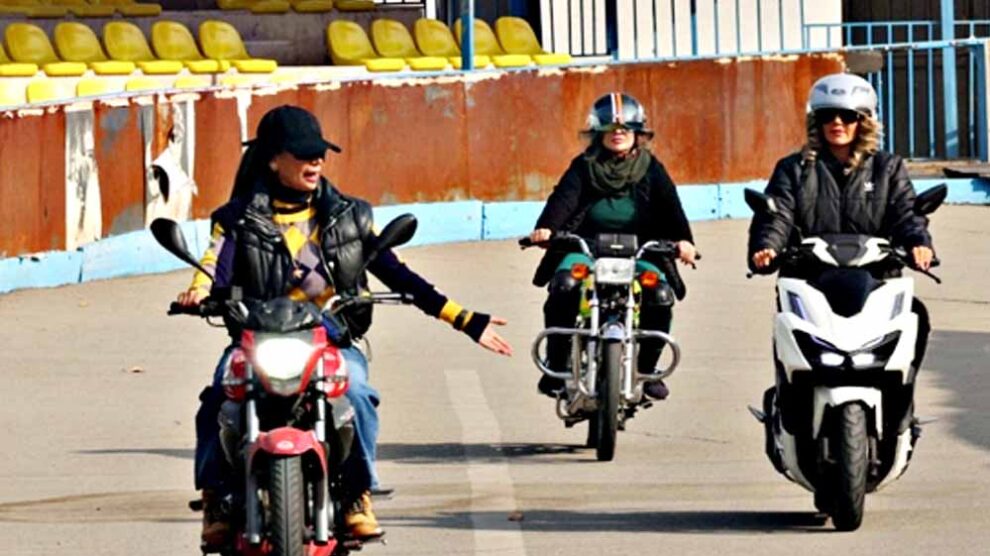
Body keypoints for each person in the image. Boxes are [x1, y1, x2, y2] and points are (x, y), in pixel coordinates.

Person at [176, 105, 513, 547]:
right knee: (217, 401)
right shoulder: (235, 219)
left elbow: (398, 274)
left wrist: (466, 319)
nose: (316, 161)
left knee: (356, 394)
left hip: (329, 340)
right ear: (273, 159)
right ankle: (217, 500)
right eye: (303, 153)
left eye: (319, 153)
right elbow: (212, 266)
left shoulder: (350, 217)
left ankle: (357, 494)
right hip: (257, 340)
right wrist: (198, 292)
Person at [527, 92, 697, 400]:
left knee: (659, 294)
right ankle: (558, 364)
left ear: (637, 133)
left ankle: (647, 370)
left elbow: (671, 208)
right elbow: (563, 199)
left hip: (641, 249)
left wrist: (684, 241)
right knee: (564, 284)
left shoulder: (651, 168)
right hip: (586, 248)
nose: (618, 133)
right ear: (598, 132)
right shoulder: (584, 166)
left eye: (626, 128)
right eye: (610, 128)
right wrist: (547, 228)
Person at [748, 72, 934, 272]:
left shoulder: (887, 167)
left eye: (847, 116)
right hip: (809, 274)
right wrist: (767, 246)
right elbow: (777, 215)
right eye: (827, 115)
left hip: (876, 274)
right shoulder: (793, 168)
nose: (837, 122)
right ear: (816, 121)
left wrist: (918, 243)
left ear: (864, 121)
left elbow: (906, 213)